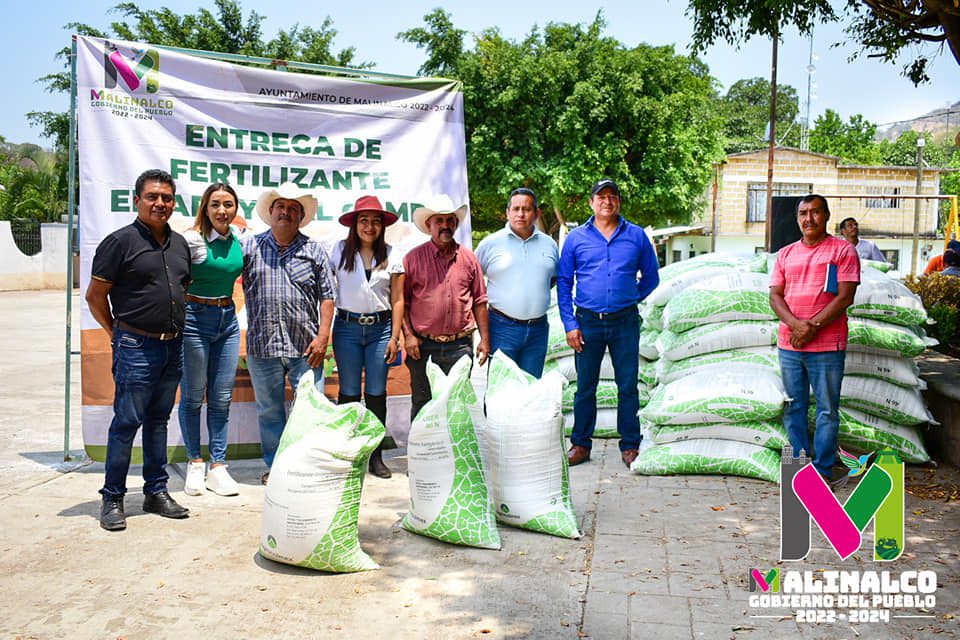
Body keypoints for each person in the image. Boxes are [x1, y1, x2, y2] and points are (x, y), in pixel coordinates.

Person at [85, 169, 191, 531]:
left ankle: (155, 491)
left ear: (173, 203)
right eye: (152, 197)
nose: (160, 203)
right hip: (135, 346)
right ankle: (113, 497)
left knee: (159, 420)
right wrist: (116, 333)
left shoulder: (179, 245)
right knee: (127, 422)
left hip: (172, 345)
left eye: (166, 197)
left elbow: (180, 288)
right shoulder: (120, 242)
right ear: (137, 200)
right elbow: (95, 296)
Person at [558, 179, 660, 469]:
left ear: (619, 202)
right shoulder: (576, 238)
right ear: (591, 203)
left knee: (627, 386)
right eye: (601, 197)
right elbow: (564, 283)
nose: (607, 201)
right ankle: (580, 444)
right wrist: (569, 324)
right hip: (587, 321)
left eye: (612, 196)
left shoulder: (637, 236)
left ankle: (630, 446)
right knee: (585, 387)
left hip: (625, 322)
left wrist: (629, 297)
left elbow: (651, 277)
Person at [241, 182, 335, 483]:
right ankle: (277, 467)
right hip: (262, 347)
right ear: (270, 212)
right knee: (269, 412)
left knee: (309, 410)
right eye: (281, 206)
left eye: (293, 208)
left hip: (306, 349)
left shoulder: (314, 251)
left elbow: (328, 298)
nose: (286, 212)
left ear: (300, 216)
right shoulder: (248, 248)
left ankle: (308, 466)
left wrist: (322, 338)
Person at [770, 194, 860, 481]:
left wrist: (812, 326)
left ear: (827, 215)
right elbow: (774, 296)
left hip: (827, 347)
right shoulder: (785, 254)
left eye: (815, 212)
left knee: (827, 411)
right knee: (793, 407)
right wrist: (796, 325)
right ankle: (798, 467)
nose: (808, 219)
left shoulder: (842, 251)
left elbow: (845, 296)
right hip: (790, 346)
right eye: (803, 213)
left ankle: (822, 470)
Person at [330, 195, 404, 478]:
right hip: (347, 328)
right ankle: (348, 454)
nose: (369, 226)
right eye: (364, 220)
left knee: (376, 393)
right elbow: (327, 289)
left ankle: (375, 456)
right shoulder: (339, 251)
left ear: (382, 225)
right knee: (349, 393)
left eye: (375, 221)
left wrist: (394, 337)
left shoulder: (393, 255)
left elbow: (398, 300)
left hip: (381, 330)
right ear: (355, 225)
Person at [178, 183, 244, 497]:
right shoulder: (191, 239)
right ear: (205, 207)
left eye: (228, 204)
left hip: (227, 320)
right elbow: (173, 279)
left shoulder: (239, 240)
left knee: (221, 398)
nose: (222, 211)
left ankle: (218, 466)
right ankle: (194, 462)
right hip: (194, 319)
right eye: (215, 204)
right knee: (192, 397)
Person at [402, 194, 489, 421]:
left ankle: (453, 455)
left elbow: (480, 300)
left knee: (458, 404)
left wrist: (485, 340)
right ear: (429, 225)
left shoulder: (469, 259)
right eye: (439, 221)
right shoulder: (412, 259)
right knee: (422, 404)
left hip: (459, 346)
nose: (445, 226)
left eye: (450, 220)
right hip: (422, 346)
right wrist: (409, 336)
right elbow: (403, 303)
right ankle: (423, 456)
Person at [475, 187, 559, 377]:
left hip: (537, 330)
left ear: (536, 213)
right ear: (507, 212)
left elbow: (552, 279)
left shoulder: (550, 245)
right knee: (500, 391)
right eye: (516, 209)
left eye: (527, 209)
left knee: (530, 391)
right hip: (501, 328)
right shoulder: (490, 244)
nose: (521, 214)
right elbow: (474, 284)